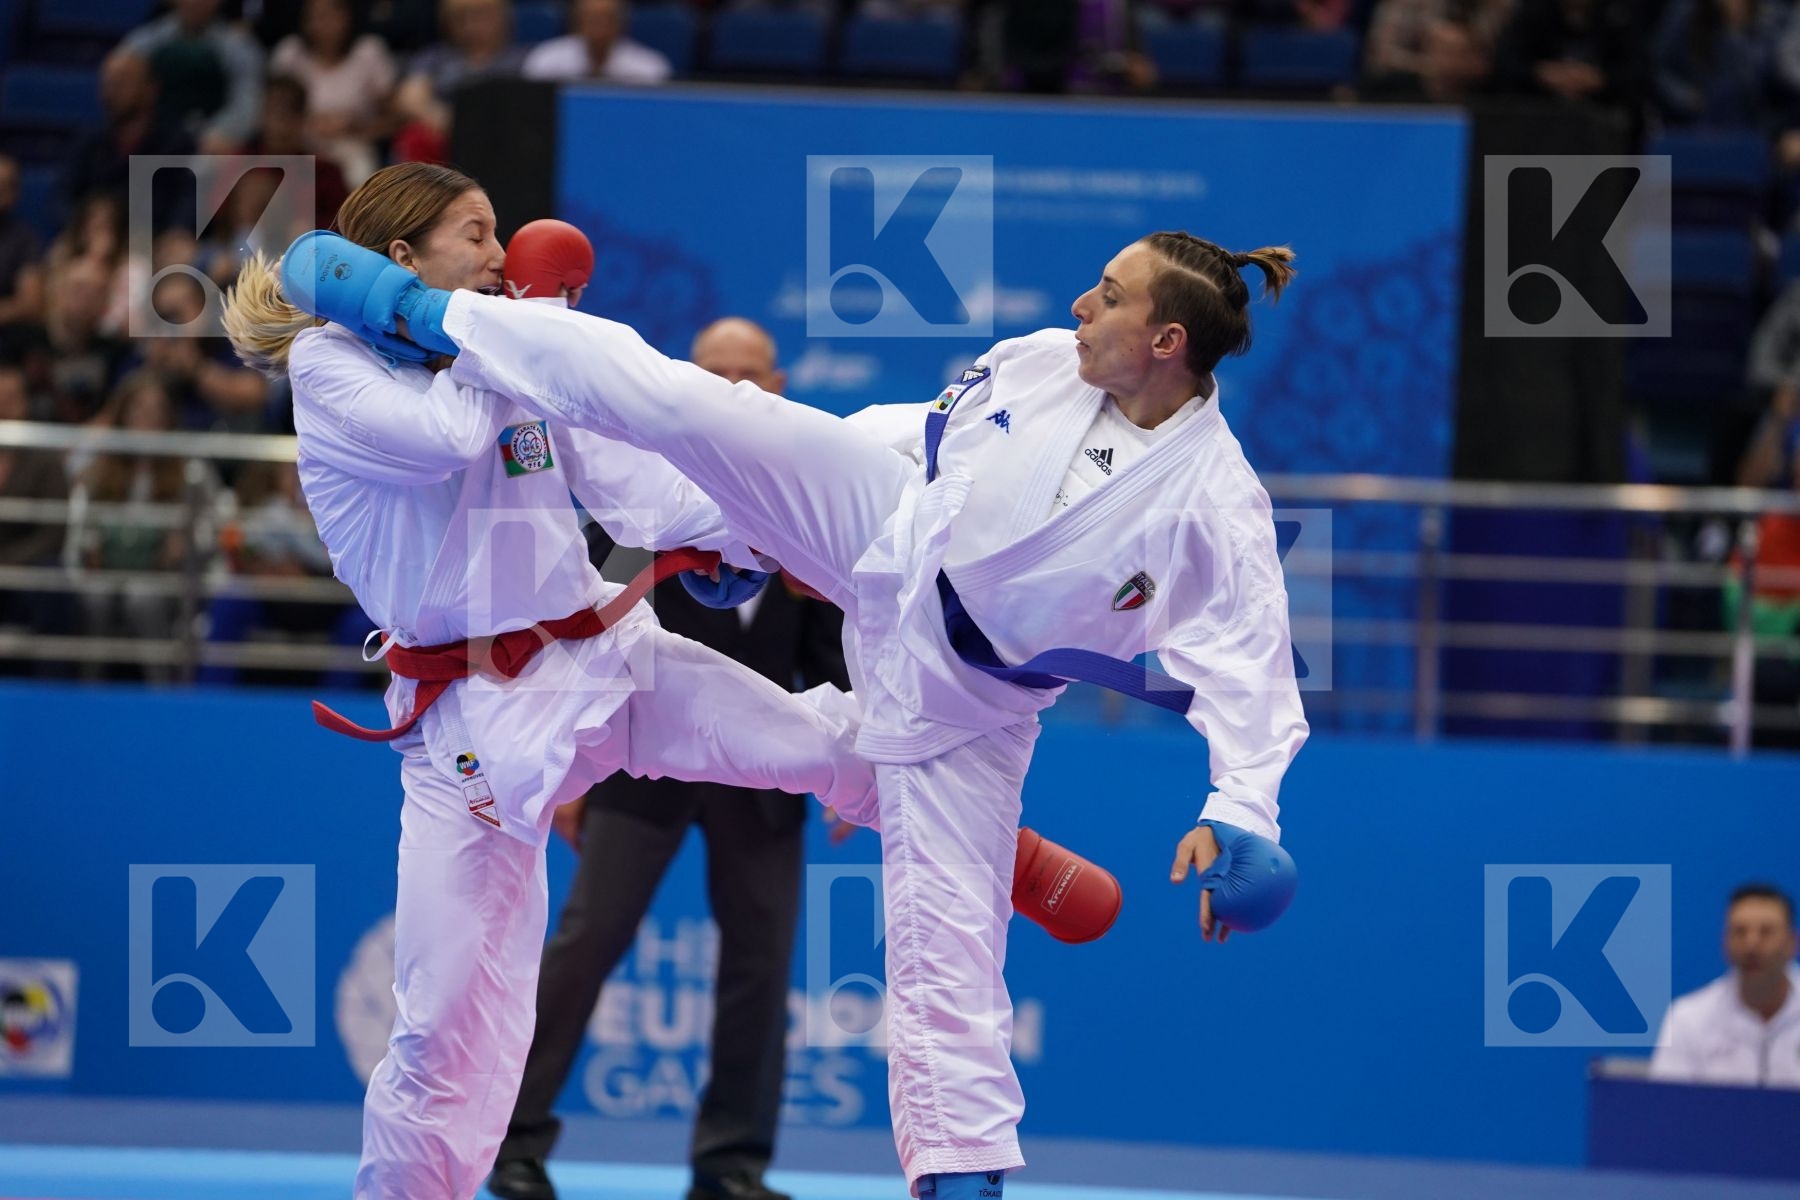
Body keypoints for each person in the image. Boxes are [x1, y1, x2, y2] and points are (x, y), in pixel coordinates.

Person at [283, 221, 1307, 1200]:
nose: (1082, 304)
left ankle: (964, 1179)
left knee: (948, 964)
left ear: (1166, 342)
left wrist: (1243, 809)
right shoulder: (1047, 361)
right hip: (886, 522)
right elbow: (924, 433)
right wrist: (752, 522)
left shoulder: (1214, 503)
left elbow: (1253, 663)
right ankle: (418, 310)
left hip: (969, 696)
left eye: (1112, 297)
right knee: (697, 407)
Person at [219, 164, 879, 1200]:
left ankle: (1008, 851)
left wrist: (741, 535)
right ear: (403, 260)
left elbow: (635, 485)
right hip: (473, 720)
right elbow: (444, 438)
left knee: (818, 745)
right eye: (478, 234)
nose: (501, 254)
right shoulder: (330, 362)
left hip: (603, 656)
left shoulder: (510, 350)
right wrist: (511, 329)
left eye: (500, 235)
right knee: (451, 1018)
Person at [488, 321, 840, 1200]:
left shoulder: (809, 503)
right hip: (639, 768)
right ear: (691, 382)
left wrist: (849, 765)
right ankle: (510, 1143)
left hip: (765, 780)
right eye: (717, 373)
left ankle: (732, 1166)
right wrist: (567, 760)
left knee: (761, 968)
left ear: (779, 385)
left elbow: (833, 651)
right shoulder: (639, 492)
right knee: (585, 946)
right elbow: (586, 631)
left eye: (750, 373)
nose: (735, 387)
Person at [1651, 884, 1800, 1087]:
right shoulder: (1688, 1019)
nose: (1751, 944)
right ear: (1725, 941)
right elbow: (1666, 1101)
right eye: (1740, 932)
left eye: (1766, 932)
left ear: (1792, 942)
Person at [522, 0, 672, 85]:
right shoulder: (546, 60)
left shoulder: (649, 69)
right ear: (576, 22)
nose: (598, 29)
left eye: (606, 20)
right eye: (590, 19)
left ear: (621, 24)